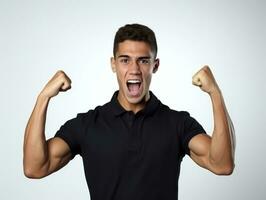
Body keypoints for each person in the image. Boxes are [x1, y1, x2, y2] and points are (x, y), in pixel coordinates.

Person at [23, 23, 235, 200]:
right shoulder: (87, 125)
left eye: (143, 60)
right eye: (125, 60)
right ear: (113, 64)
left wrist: (215, 93)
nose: (134, 69)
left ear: (155, 65)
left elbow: (222, 164)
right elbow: (35, 168)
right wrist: (43, 97)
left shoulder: (177, 123)